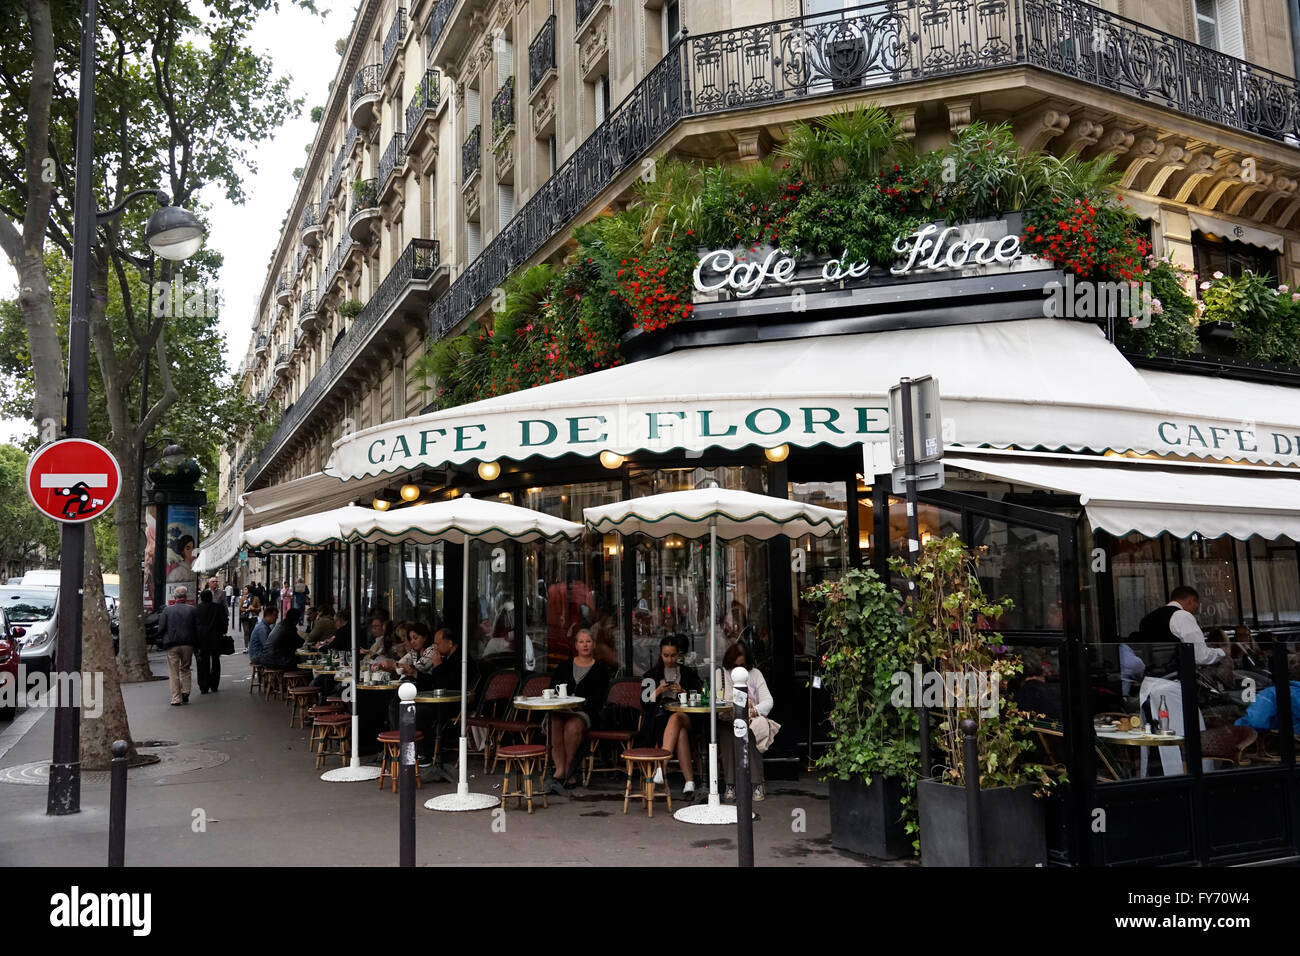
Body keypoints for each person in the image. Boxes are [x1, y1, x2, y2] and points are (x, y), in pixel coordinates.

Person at [548, 628, 612, 791]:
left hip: (586, 712)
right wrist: (565, 705)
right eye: (581, 642)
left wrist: (576, 706)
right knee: (555, 719)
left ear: (594, 645)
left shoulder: (601, 669)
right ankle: (561, 771)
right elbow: (552, 689)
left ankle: (567, 770)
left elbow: (599, 699)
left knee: (573, 725)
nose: (585, 645)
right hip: (561, 709)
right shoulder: (564, 666)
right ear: (575, 645)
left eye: (588, 641)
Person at [641, 635, 702, 795]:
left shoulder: (688, 673)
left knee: (676, 717)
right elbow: (644, 703)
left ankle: (662, 766)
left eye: (673, 655)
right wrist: (658, 691)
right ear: (660, 654)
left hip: (686, 716)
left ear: (679, 655)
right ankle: (689, 782)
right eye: (666, 655)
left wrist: (684, 692)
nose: (669, 659)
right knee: (679, 733)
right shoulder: (651, 675)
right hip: (659, 719)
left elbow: (699, 697)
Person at [713, 640, 774, 802]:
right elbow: (716, 700)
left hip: (750, 719)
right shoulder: (720, 674)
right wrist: (737, 704)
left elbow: (768, 701)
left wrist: (754, 710)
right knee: (727, 734)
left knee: (751, 732)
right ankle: (730, 784)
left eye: (742, 666)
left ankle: (756, 783)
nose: (738, 670)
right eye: (735, 666)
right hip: (728, 719)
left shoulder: (755, 674)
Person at [1138, 585, 1225, 668]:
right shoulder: (1182, 615)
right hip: (1174, 678)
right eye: (1195, 607)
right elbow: (1200, 656)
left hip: (1149, 678)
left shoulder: (1147, 619)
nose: (1194, 612)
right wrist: (1222, 652)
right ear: (1190, 600)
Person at [158, 585, 198, 705]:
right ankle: (186, 692)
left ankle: (176, 697)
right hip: (188, 644)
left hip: (172, 644)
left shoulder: (167, 610)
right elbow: (197, 627)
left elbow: (161, 628)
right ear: (186, 597)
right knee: (185, 668)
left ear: (175, 597)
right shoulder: (192, 610)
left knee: (173, 672)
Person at [194, 589, 227, 694]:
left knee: (203, 661)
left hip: (201, 638)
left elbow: (194, 624)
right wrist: (222, 632)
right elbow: (223, 622)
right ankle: (214, 684)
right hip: (215, 637)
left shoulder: (196, 608)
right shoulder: (218, 608)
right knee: (216, 660)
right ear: (211, 597)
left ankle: (204, 685)